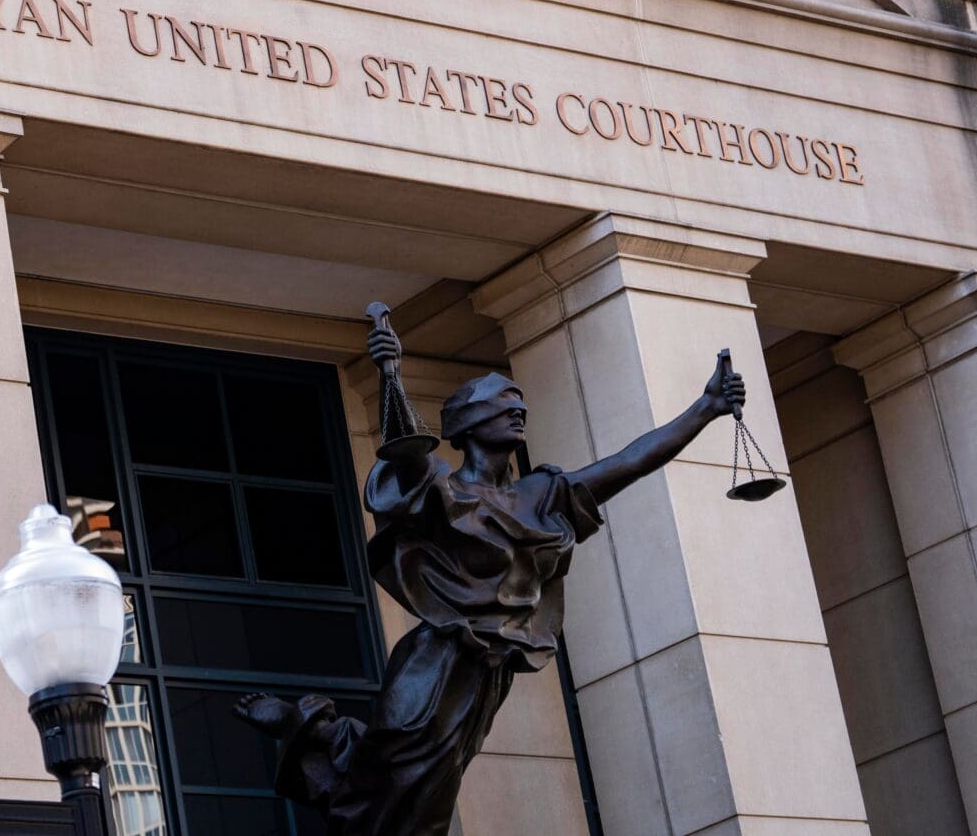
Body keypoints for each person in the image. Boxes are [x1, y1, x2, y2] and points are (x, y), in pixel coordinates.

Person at [234, 314, 746, 835]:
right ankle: (309, 728)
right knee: (401, 767)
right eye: (504, 406)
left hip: (489, 668)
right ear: (470, 425)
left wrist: (705, 408)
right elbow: (407, 452)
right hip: (437, 659)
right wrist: (390, 372)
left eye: (519, 404)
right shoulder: (444, 494)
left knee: (426, 781)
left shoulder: (541, 496)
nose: (519, 411)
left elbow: (630, 462)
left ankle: (314, 730)